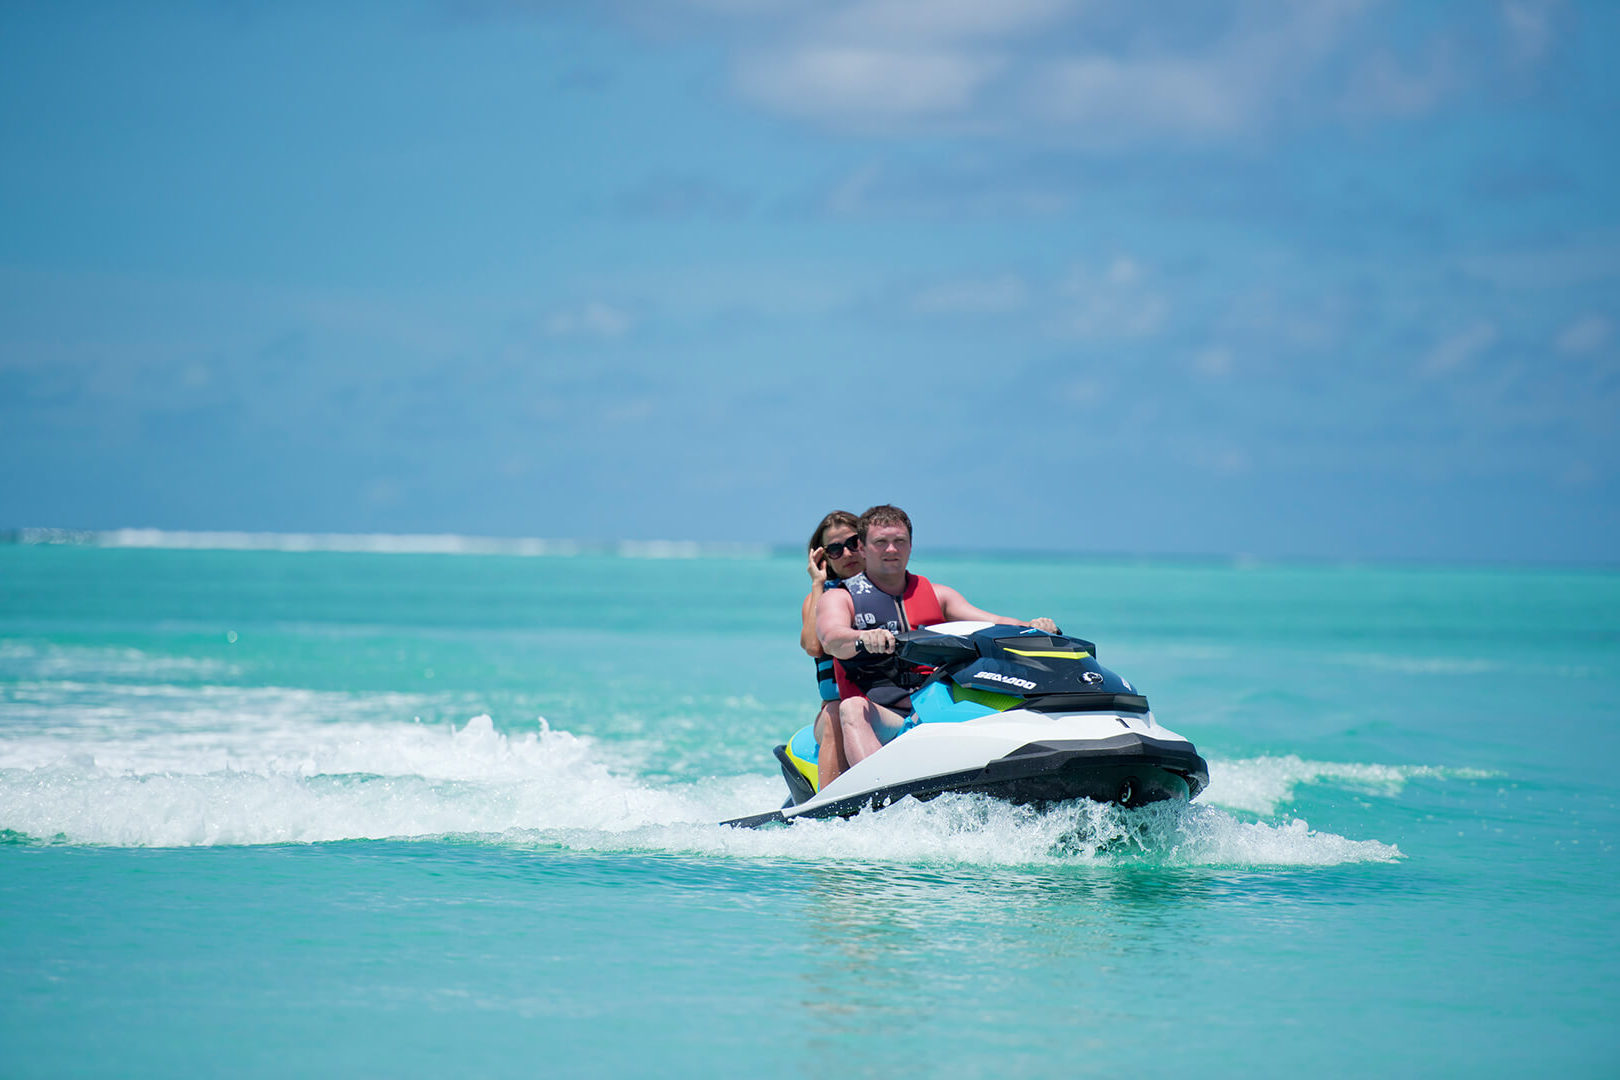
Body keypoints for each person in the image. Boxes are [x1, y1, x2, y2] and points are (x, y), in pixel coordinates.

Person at [816, 504, 1058, 778]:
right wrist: (862, 637)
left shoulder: (938, 595)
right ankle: (876, 789)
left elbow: (994, 622)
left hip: (935, 703)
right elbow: (831, 638)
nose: (891, 549)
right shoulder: (841, 597)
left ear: (910, 545)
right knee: (851, 708)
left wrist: (1033, 627)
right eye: (881, 542)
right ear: (862, 547)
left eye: (899, 541)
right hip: (885, 714)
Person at [799, 510, 866, 789]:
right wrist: (817, 583)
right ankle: (829, 804)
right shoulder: (818, 599)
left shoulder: (892, 590)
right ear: (823, 558)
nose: (847, 553)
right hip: (836, 709)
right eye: (835, 549)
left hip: (883, 703)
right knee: (837, 713)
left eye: (853, 542)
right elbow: (814, 646)